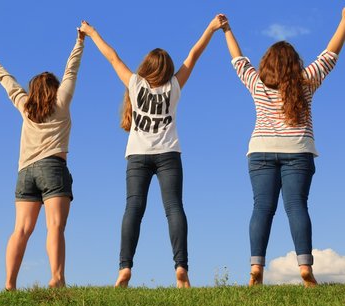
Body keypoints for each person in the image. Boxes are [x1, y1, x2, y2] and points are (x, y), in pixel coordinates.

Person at [79, 14, 227, 288]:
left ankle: (124, 268)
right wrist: (211, 27)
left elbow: (112, 57)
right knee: (174, 207)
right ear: (168, 69)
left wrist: (91, 32)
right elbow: (194, 54)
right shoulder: (174, 86)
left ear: (146, 67)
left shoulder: (135, 84)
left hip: (137, 155)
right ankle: (181, 267)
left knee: (133, 208)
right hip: (169, 154)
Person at [222, 8, 345, 287]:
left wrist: (227, 30)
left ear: (266, 64)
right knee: (297, 206)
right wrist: (344, 22)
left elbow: (238, 60)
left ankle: (256, 269)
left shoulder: (257, 84)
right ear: (294, 64)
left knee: (262, 208)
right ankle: (305, 268)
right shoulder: (306, 83)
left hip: (261, 151)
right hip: (299, 151)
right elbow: (331, 54)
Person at [0, 29, 85, 290]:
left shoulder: (25, 106)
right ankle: (57, 278)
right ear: (55, 88)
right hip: (53, 168)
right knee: (55, 226)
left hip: (25, 173)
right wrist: (79, 41)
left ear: (33, 91)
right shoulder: (61, 101)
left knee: (21, 230)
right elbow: (72, 70)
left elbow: (6, 80)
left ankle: (9, 283)